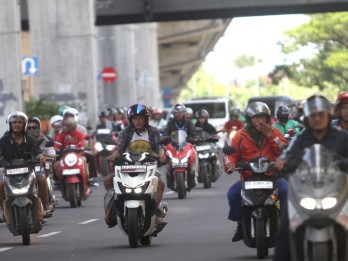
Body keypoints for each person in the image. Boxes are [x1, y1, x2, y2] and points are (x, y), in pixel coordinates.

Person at [273, 94, 348, 261]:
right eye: (313, 115)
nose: (318, 118)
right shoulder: (301, 138)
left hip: (338, 190)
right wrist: (281, 162)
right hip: (307, 190)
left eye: (322, 114)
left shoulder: (342, 137)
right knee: (286, 226)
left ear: (329, 116)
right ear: (307, 118)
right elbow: (286, 154)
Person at [224, 101, 288, 242]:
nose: (260, 120)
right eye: (256, 117)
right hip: (249, 177)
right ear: (249, 119)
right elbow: (230, 155)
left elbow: (284, 148)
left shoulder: (274, 132)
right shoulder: (240, 136)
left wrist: (270, 135)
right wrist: (230, 165)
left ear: (267, 118)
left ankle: (286, 224)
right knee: (233, 194)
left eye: (263, 117)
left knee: (286, 190)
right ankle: (241, 224)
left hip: (272, 176)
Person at [104, 104, 167, 227]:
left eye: (140, 118)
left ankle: (154, 214)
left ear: (146, 119)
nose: (137, 121)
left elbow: (160, 146)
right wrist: (114, 155)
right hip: (127, 168)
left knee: (160, 184)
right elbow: (120, 147)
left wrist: (162, 154)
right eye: (135, 118)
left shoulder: (153, 131)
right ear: (131, 120)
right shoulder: (126, 131)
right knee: (107, 181)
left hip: (149, 168)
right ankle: (111, 211)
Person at [0, 111, 50, 223]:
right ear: (10, 124)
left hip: (28, 172)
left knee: (41, 179)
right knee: (0, 185)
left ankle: (42, 207)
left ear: (24, 125)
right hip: (9, 173)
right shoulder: (4, 140)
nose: (17, 124)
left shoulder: (30, 139)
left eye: (20, 122)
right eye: (14, 122)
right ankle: (4, 211)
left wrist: (40, 155)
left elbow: (36, 151)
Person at [53, 117, 91, 199]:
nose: (63, 128)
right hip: (64, 156)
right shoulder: (62, 135)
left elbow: (82, 144)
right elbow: (57, 145)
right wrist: (56, 150)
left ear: (71, 126)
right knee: (56, 165)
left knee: (84, 160)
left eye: (65, 126)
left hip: (78, 156)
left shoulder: (79, 134)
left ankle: (85, 185)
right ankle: (61, 183)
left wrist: (81, 147)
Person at [63, 107, 97, 181]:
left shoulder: (82, 129)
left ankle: (91, 178)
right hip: (65, 152)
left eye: (70, 117)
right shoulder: (62, 130)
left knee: (91, 157)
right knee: (55, 161)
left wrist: (79, 147)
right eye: (67, 117)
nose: (68, 119)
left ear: (75, 117)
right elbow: (59, 141)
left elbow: (84, 142)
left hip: (79, 151)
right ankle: (57, 180)